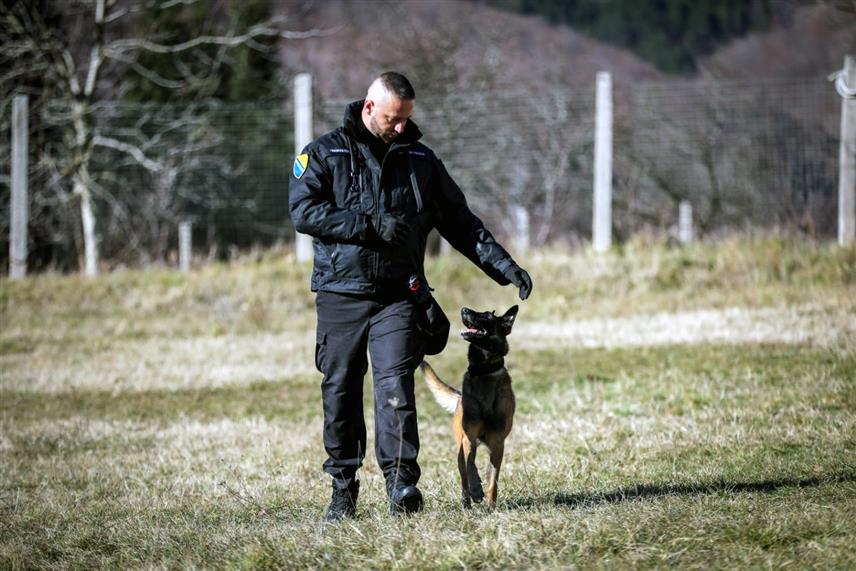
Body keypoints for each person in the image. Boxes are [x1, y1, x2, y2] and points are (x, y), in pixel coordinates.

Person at [288, 72, 533, 521]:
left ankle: (401, 483)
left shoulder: (420, 160)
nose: (400, 127)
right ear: (368, 108)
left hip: (400, 295)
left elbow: (461, 221)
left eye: (406, 119)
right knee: (340, 388)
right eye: (391, 118)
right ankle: (343, 490)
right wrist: (366, 225)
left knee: (395, 385)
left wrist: (504, 266)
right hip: (341, 293)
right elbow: (304, 211)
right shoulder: (324, 154)